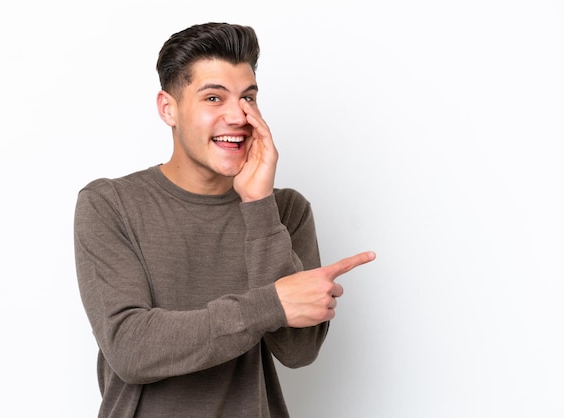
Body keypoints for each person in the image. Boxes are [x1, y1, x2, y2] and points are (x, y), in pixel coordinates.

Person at [74, 22, 375, 418]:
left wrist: (258, 204)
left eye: (248, 98)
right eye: (214, 97)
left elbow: (298, 351)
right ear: (169, 108)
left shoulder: (284, 211)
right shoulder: (110, 204)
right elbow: (130, 349)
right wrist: (270, 305)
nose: (238, 115)